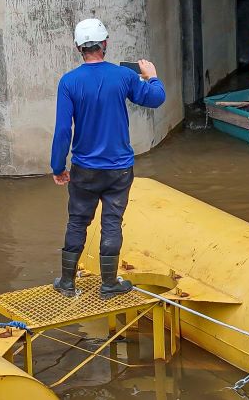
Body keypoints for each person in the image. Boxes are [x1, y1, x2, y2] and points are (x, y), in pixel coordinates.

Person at [50, 18, 166, 299]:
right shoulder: (123, 77)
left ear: (78, 47)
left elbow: (63, 129)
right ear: (105, 44)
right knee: (111, 222)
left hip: (84, 169)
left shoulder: (69, 82)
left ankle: (67, 283)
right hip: (119, 169)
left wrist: (58, 166)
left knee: (77, 221)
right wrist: (151, 75)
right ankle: (109, 284)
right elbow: (156, 98)